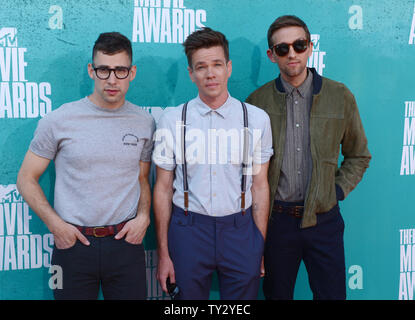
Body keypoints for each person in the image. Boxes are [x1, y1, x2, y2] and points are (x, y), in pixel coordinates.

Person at [16, 32, 155, 300]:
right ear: (91, 71)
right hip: (72, 246)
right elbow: (26, 178)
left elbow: (142, 177)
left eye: (120, 70)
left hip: (126, 244)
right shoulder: (58, 120)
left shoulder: (144, 122)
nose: (112, 79)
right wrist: (56, 225)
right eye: (104, 70)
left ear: (132, 72)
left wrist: (144, 217)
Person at [246, 15, 371, 300]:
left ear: (310, 47)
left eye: (299, 45)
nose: (292, 53)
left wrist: (335, 190)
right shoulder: (257, 102)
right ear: (271, 55)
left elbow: (358, 155)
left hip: (324, 221)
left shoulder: (340, 96)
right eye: (282, 48)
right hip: (276, 223)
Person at [152, 27, 273, 300]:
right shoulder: (172, 120)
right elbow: (162, 188)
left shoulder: (256, 119)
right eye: (201, 67)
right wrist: (164, 253)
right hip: (188, 230)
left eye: (217, 64)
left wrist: (259, 247)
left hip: (241, 231)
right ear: (191, 73)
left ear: (228, 68)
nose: (210, 73)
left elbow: (260, 186)